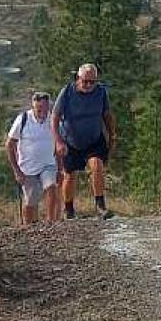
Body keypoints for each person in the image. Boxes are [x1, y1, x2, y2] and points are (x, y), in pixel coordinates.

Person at [51, 63, 117, 220]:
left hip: (94, 139)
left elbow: (107, 114)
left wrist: (112, 135)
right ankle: (69, 210)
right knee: (70, 175)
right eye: (85, 81)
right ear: (77, 79)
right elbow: (55, 117)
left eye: (92, 82)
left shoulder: (101, 92)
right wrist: (58, 141)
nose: (88, 85)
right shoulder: (67, 92)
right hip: (70, 140)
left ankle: (100, 206)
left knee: (97, 166)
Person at [5, 90, 61, 225]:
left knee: (51, 187)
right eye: (39, 108)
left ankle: (50, 223)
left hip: (48, 164)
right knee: (30, 201)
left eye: (46, 107)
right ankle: (29, 228)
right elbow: (9, 145)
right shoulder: (23, 119)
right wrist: (16, 171)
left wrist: (60, 167)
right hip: (27, 168)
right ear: (33, 106)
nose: (43, 111)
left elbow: (59, 144)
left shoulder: (53, 120)